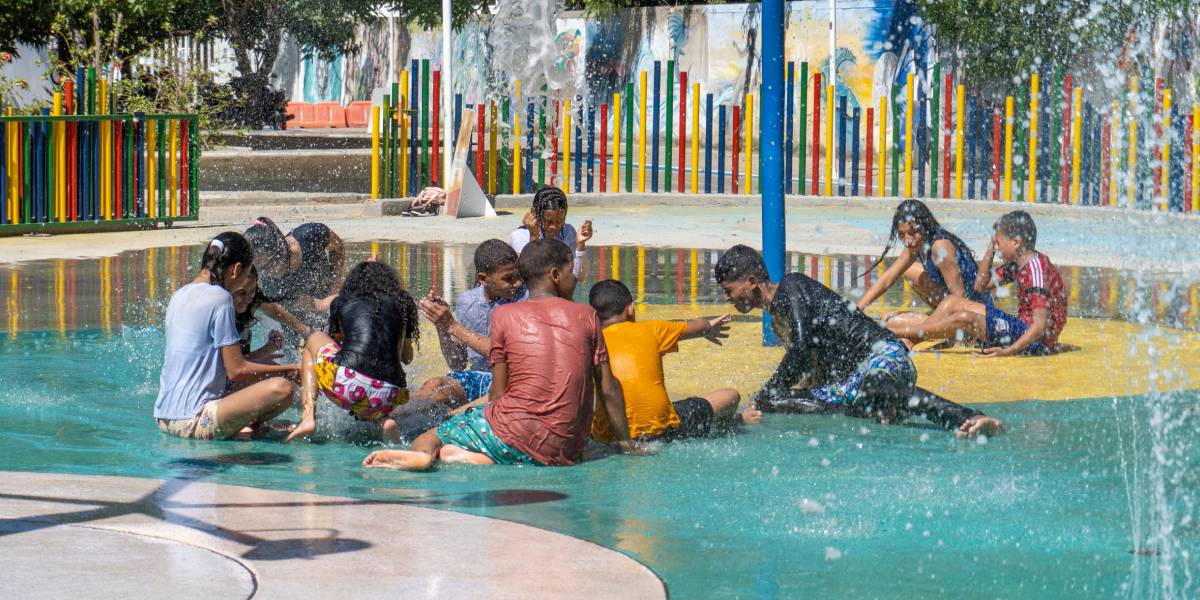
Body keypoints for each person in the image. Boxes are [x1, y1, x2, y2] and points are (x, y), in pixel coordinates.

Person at [362, 239, 644, 470]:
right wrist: (626, 443)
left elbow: (498, 395)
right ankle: (471, 456)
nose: (575, 278)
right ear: (555, 275)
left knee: (431, 436)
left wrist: (465, 414)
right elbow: (608, 388)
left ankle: (424, 454)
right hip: (567, 449)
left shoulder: (505, 315)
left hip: (514, 435)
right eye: (572, 272)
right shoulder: (587, 315)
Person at [714, 244, 1003, 438]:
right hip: (851, 383)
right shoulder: (778, 316)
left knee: (871, 388)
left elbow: (800, 351)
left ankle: (971, 417)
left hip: (882, 356)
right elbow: (812, 365)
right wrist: (770, 399)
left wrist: (764, 392)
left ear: (751, 282)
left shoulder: (792, 286)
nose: (727, 298)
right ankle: (877, 406)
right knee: (777, 402)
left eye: (729, 290)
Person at [153, 232, 299, 441]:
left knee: (264, 380)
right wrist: (291, 370)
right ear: (236, 269)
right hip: (193, 420)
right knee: (282, 388)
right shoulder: (220, 298)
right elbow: (236, 370)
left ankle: (248, 427)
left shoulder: (179, 295)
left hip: (163, 417)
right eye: (245, 274)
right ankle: (245, 426)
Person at [587, 279, 763, 443]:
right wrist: (709, 327)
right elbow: (698, 326)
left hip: (609, 437)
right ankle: (736, 421)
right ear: (631, 309)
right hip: (663, 430)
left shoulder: (589, 343)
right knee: (730, 396)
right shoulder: (651, 329)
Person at [888, 211, 1067, 356]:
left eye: (999, 243)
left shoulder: (1036, 270)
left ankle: (899, 334)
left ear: (1016, 243)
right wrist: (991, 249)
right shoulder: (1018, 264)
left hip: (1036, 342)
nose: (997, 247)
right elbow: (980, 285)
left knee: (964, 318)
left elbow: (1039, 327)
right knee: (952, 302)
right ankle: (910, 339)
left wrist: (1008, 351)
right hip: (1021, 328)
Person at [287, 261, 420, 443]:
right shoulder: (403, 304)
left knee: (314, 338)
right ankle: (384, 421)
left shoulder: (342, 301)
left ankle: (308, 416)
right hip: (392, 395)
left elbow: (335, 345)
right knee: (372, 382)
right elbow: (407, 358)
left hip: (347, 385)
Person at [857, 200, 991, 340]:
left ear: (925, 226)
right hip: (954, 307)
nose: (907, 240)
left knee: (889, 321)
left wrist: (923, 333)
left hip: (973, 319)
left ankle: (944, 329)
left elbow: (960, 300)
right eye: (902, 234)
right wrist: (857, 310)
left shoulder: (940, 247)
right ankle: (936, 320)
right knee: (909, 271)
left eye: (912, 233)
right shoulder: (919, 242)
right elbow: (888, 278)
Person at [418, 239, 528, 405]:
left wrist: (453, 325)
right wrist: (442, 326)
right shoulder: (467, 302)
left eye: (518, 276)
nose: (518, 283)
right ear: (483, 278)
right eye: (509, 278)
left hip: (512, 382)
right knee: (434, 386)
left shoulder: (525, 299)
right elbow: (457, 364)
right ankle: (388, 410)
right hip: (477, 379)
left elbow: (508, 354)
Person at [244, 217, 345, 333]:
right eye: (259, 268)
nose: (265, 273)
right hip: (296, 317)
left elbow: (337, 245)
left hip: (324, 291)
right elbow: (319, 307)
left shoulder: (309, 234)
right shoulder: (273, 286)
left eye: (266, 266)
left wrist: (336, 282)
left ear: (281, 251)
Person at [509, 186, 591, 277]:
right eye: (548, 221)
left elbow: (579, 276)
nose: (554, 227)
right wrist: (533, 237)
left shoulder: (568, 232)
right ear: (534, 213)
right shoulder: (520, 236)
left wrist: (580, 246)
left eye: (560, 221)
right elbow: (528, 275)